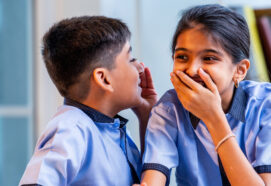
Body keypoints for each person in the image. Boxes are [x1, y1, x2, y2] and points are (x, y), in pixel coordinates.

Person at [140, 4, 271, 186]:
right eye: (182, 57)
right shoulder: (169, 109)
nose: (192, 70)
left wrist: (213, 117)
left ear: (240, 70)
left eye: (209, 58)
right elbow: (153, 179)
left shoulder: (266, 105)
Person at [19, 16, 157, 186]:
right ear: (104, 79)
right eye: (131, 60)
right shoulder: (71, 127)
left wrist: (147, 116)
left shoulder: (114, 131)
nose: (141, 67)